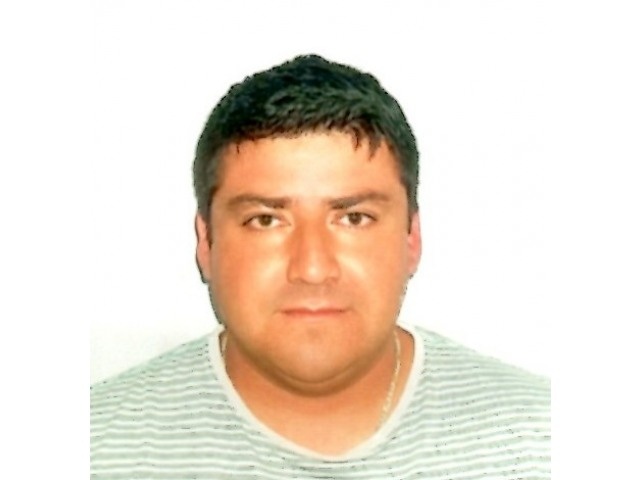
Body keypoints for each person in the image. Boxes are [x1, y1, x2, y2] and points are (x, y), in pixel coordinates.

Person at [91, 54, 550, 479]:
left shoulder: (541, 441)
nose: (312, 269)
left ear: (412, 237)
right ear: (206, 242)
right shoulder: (96, 448)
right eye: (266, 220)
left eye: (354, 218)